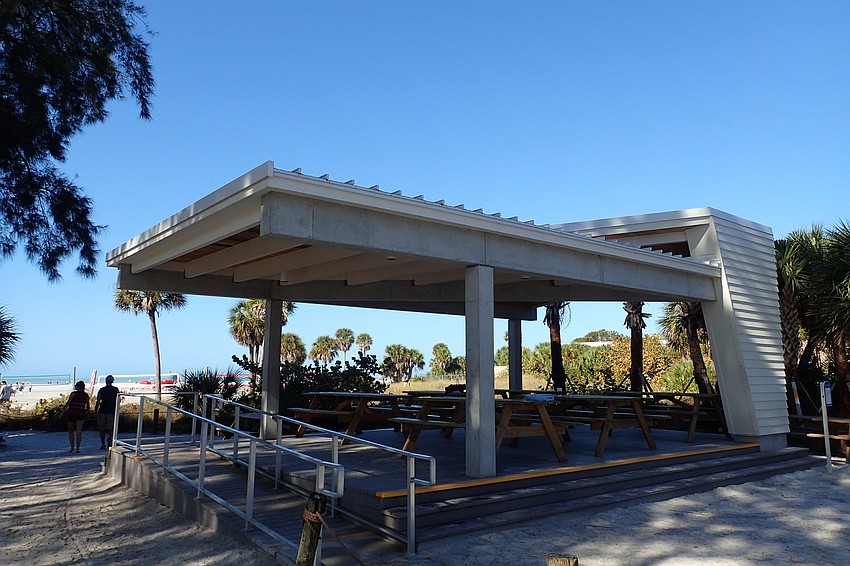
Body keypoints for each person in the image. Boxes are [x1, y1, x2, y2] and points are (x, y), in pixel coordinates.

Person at [94, 375, 120, 449]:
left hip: (102, 410)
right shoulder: (115, 390)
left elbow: (98, 401)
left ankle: (103, 443)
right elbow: (118, 400)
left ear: (106, 381)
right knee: (110, 428)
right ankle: (110, 440)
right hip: (111, 410)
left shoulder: (102, 390)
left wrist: (95, 410)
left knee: (102, 428)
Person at [63, 381, 89, 453]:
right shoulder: (85, 395)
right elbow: (87, 406)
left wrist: (62, 412)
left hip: (72, 413)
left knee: (71, 431)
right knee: (79, 431)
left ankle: (72, 447)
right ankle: (77, 448)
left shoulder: (73, 394)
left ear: (77, 387)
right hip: (81, 413)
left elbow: (68, 403)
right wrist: (88, 413)